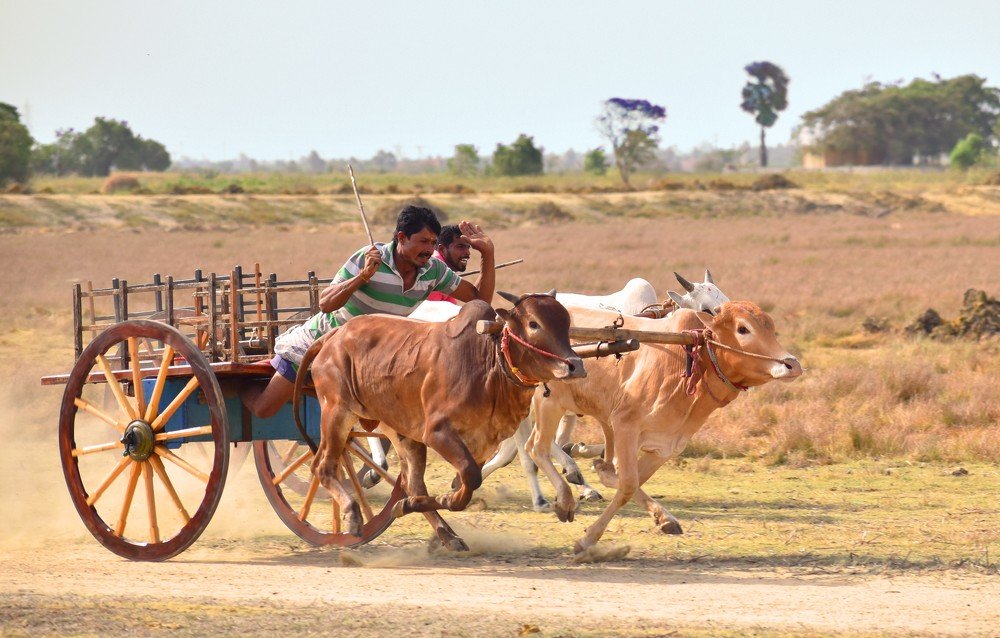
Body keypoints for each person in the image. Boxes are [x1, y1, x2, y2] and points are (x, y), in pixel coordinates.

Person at [242, 205, 495, 418]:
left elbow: (480, 301)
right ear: (402, 237)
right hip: (321, 343)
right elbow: (326, 304)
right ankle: (236, 388)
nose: (429, 250)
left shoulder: (434, 271)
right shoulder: (369, 257)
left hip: (370, 358)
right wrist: (362, 276)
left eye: (432, 243)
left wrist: (487, 254)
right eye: (423, 241)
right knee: (264, 409)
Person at [427, 224, 473, 304]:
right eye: (460, 247)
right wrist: (486, 254)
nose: (467, 253)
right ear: (442, 249)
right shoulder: (434, 269)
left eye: (468, 247)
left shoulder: (446, 273)